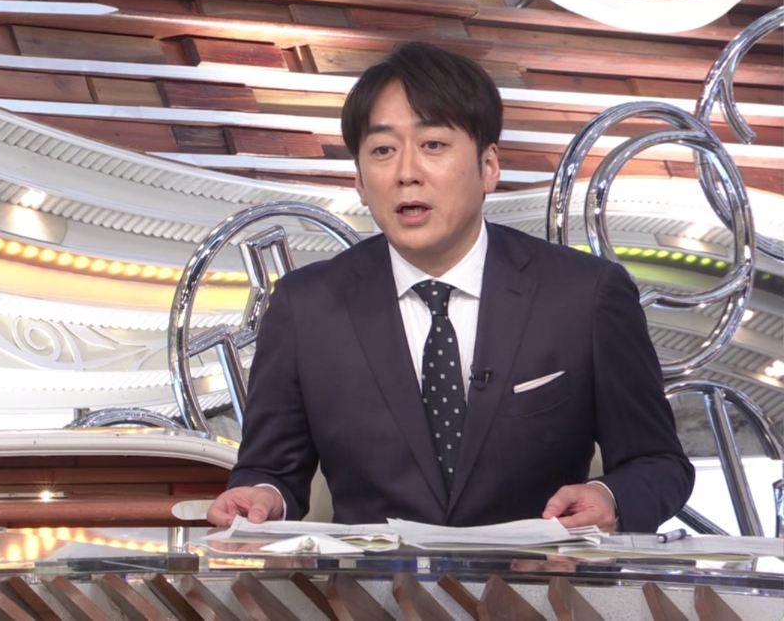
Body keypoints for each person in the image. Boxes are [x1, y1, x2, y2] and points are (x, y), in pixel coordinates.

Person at [207, 43, 692, 532]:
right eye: (382, 151)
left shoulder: (583, 295)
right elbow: (271, 473)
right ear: (359, 181)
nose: (407, 173)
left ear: (489, 166)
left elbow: (658, 463)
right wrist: (260, 497)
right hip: (372, 581)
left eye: (433, 145)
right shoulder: (307, 307)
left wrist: (609, 498)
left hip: (539, 577)